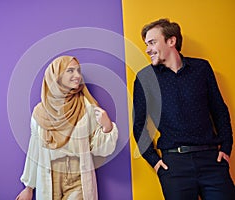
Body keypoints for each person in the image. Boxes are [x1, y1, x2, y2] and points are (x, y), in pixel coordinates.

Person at [133, 18, 235, 200]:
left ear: (171, 41)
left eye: (152, 42)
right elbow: (139, 125)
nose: (147, 49)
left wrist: (226, 148)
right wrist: (155, 162)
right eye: (146, 44)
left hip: (212, 160)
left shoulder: (201, 68)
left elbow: (219, 110)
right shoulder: (145, 78)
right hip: (174, 166)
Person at [15, 55, 118, 200]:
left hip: (78, 177)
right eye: (70, 71)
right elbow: (35, 149)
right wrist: (28, 187)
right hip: (50, 176)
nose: (77, 75)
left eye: (78, 70)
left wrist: (107, 127)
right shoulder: (40, 112)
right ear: (56, 76)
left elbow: (100, 149)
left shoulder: (86, 106)